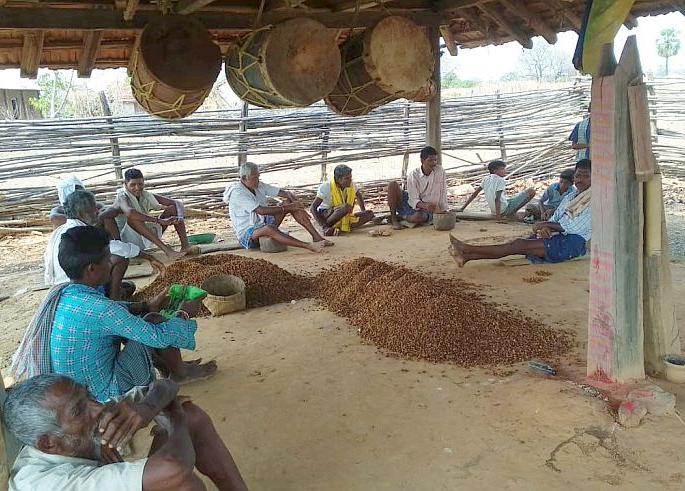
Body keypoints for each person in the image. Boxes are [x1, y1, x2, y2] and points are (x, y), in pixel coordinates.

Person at [11, 225, 217, 402]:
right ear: (92, 269)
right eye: (107, 258)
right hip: (102, 395)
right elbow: (157, 337)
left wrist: (145, 305)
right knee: (153, 323)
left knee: (147, 318)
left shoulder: (66, 294)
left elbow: (114, 312)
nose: (111, 263)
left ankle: (174, 368)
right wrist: (184, 313)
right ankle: (179, 373)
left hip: (78, 390)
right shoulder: (101, 309)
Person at [4, 374, 248, 491]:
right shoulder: (46, 484)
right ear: (48, 444)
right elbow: (174, 468)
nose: (97, 408)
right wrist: (175, 416)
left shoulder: (68, 434)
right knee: (183, 485)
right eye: (79, 410)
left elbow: (165, 385)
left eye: (88, 395)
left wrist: (148, 407)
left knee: (191, 414)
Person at [449, 159, 592, 267]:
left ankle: (466, 249)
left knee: (518, 245)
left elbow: (574, 228)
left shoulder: (595, 200)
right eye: (578, 176)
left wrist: (546, 225)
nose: (580, 180)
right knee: (519, 245)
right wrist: (546, 227)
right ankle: (467, 256)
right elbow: (556, 217)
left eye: (585, 176)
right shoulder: (571, 196)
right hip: (559, 234)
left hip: (573, 242)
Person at [44, 190, 165, 300]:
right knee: (120, 259)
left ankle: (113, 292)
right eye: (93, 209)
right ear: (82, 213)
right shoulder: (79, 231)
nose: (97, 212)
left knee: (129, 286)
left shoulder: (62, 229)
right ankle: (114, 300)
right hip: (74, 285)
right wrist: (149, 257)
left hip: (61, 285)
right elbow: (116, 247)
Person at [223, 162, 333, 253]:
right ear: (244, 178)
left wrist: (296, 205)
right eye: (254, 177)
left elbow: (285, 193)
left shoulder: (258, 185)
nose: (257, 180)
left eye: (258, 176)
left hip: (262, 222)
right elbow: (261, 211)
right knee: (269, 228)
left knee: (288, 202)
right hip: (248, 233)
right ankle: (308, 246)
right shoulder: (237, 192)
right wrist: (289, 207)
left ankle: (316, 237)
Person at [113, 168, 191, 260]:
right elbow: (130, 213)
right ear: (126, 184)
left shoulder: (145, 195)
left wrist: (180, 217)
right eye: (133, 185)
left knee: (172, 209)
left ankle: (185, 246)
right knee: (133, 218)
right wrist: (159, 221)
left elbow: (177, 203)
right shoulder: (122, 196)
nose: (137, 188)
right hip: (127, 242)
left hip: (144, 236)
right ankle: (167, 250)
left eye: (140, 184)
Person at [387, 146, 448, 230]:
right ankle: (394, 219)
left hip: (428, 209)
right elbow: (413, 200)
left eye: (435, 160)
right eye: (430, 160)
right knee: (392, 185)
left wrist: (443, 210)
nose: (434, 163)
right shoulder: (413, 175)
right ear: (422, 161)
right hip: (413, 202)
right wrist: (425, 205)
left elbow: (443, 192)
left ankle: (401, 217)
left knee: (418, 217)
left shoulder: (440, 171)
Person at [310, 164, 375, 236]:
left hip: (344, 215)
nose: (350, 180)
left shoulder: (351, 185)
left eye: (350, 177)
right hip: (326, 215)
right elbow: (312, 208)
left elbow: (358, 195)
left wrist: (363, 211)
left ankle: (338, 228)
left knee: (370, 214)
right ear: (338, 179)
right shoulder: (326, 186)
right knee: (345, 207)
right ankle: (325, 228)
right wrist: (324, 226)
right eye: (347, 178)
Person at [458, 160, 535, 219]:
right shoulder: (500, 180)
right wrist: (498, 217)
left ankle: (512, 213)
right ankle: (511, 213)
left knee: (510, 199)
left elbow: (475, 194)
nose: (505, 171)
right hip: (503, 210)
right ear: (495, 171)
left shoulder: (485, 179)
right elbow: (497, 199)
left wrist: (462, 208)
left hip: (494, 210)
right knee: (531, 191)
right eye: (502, 169)